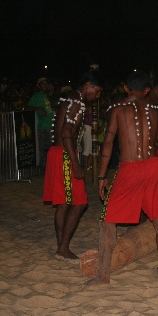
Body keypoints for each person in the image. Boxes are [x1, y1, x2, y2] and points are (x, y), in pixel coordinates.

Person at [88, 71, 158, 284]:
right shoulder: (156, 110)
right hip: (152, 165)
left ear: (126, 88)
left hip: (129, 168)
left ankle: (103, 276)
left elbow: (107, 144)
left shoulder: (117, 109)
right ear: (146, 90)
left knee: (108, 220)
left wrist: (101, 176)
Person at [42, 69, 104, 260]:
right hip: (65, 155)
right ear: (88, 85)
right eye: (97, 91)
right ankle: (62, 247)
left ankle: (61, 245)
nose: (97, 96)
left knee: (63, 203)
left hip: (58, 153)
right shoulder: (76, 102)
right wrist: (75, 161)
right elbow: (67, 132)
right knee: (79, 203)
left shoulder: (68, 98)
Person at [26, 77, 53, 168]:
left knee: (48, 147)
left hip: (48, 124)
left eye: (46, 84)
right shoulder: (36, 96)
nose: (45, 85)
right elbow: (27, 107)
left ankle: (47, 165)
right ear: (39, 86)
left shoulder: (46, 95)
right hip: (42, 126)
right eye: (43, 84)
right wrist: (39, 108)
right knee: (43, 148)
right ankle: (43, 166)